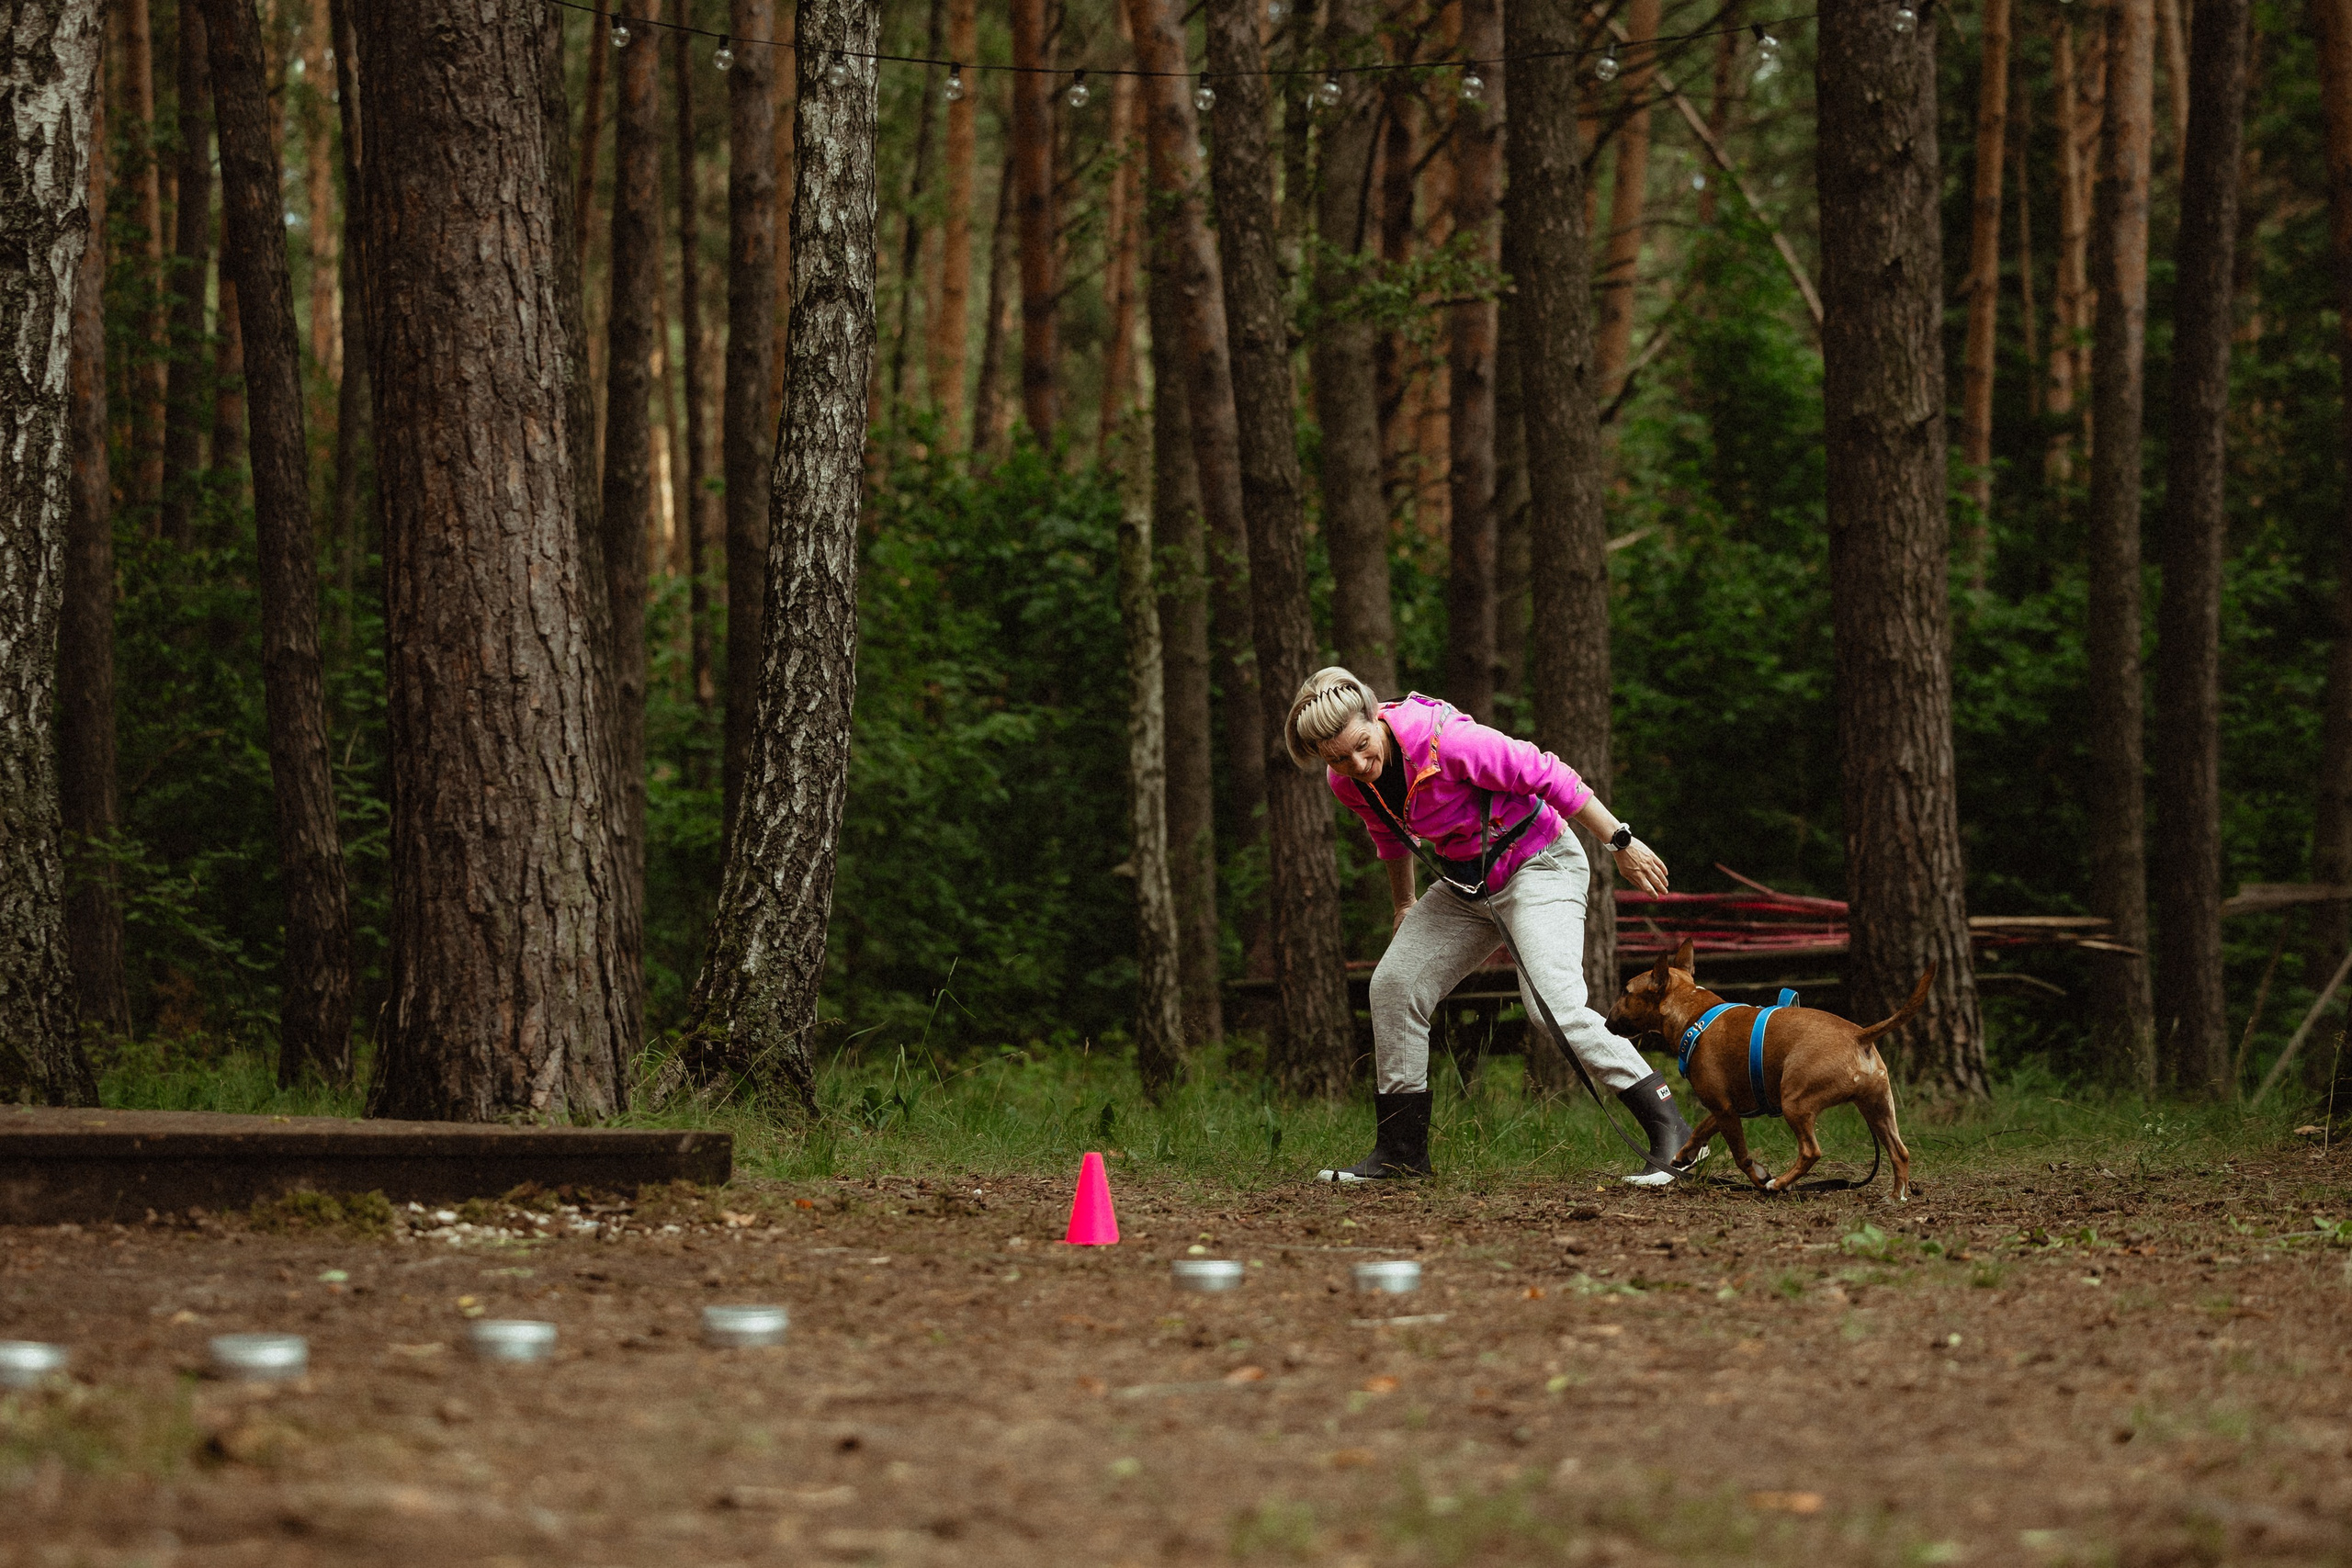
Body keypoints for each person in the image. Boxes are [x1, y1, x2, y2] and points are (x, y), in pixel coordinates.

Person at [1285, 668, 1699, 1186]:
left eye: (1362, 747)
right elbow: (1387, 834)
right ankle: (1400, 1153)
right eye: (1338, 759)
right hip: (1468, 882)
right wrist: (1405, 902)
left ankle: (1672, 1131)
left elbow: (1550, 773)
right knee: (1394, 986)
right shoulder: (1346, 780)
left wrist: (1620, 841)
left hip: (1539, 863)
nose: (1357, 765)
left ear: (1376, 716)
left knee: (1552, 1006)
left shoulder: (1448, 742)